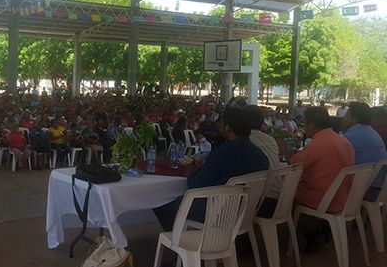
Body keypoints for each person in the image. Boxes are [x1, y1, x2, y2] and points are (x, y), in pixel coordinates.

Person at [155, 107, 269, 230]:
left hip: (216, 211)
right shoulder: (262, 157)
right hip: (243, 213)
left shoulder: (221, 154)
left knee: (162, 202)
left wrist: (190, 173)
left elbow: (196, 186)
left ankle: (175, 239)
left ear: (227, 127)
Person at [279, 106, 354, 250]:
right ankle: (317, 227)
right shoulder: (344, 142)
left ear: (311, 125)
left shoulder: (318, 143)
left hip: (320, 200)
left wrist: (282, 146)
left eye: (304, 124)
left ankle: (309, 230)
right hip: (342, 197)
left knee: (283, 191)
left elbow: (293, 165)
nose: (304, 128)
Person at [342, 102, 387, 201]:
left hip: (367, 190)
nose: (343, 118)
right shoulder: (372, 132)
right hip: (379, 187)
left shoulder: (352, 136)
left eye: (347, 115)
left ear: (355, 118)